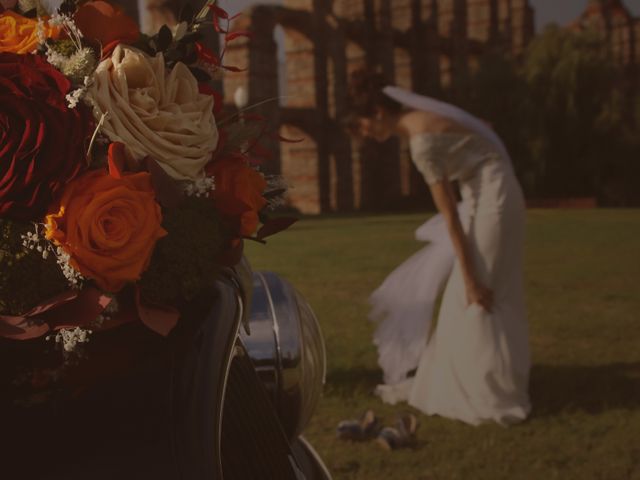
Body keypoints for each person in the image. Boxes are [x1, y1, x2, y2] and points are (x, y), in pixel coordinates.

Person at [347, 70, 531, 426]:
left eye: (365, 125)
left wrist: (469, 276)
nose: (366, 135)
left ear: (379, 113)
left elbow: (450, 220)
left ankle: (490, 390)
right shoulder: (426, 119)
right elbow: (483, 127)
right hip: (492, 193)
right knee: (486, 291)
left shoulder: (421, 143)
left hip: (494, 201)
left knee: (479, 291)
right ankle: (495, 379)